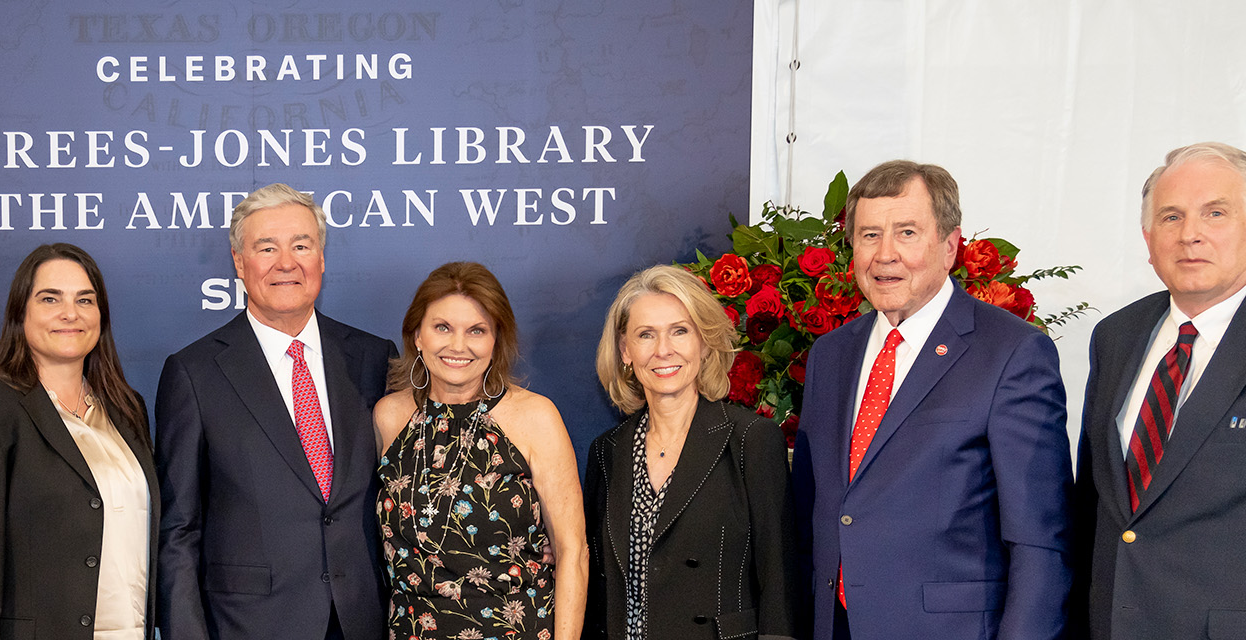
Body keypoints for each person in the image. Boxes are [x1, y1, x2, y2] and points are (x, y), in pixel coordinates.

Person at [1070, 142, 1246, 639]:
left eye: (1215, 213)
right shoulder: (1116, 336)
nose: (1190, 235)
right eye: (1171, 217)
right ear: (1148, 238)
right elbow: (1095, 512)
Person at [793, 160, 1072, 639]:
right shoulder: (831, 354)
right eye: (868, 235)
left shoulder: (1011, 352)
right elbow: (812, 508)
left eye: (906, 232)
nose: (884, 255)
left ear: (949, 246)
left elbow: (1041, 542)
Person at [156, 183, 397, 640]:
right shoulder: (194, 372)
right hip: (249, 625)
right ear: (239, 262)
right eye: (266, 247)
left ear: (321, 260)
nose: (286, 262)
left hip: (363, 619)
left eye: (301, 246)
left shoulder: (373, 358)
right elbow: (178, 530)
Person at [0, 243, 157, 639]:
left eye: (85, 299)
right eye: (50, 299)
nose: (71, 313)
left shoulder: (126, 408)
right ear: (21, 312)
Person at [372, 261, 588, 640]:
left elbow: (573, 553)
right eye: (442, 328)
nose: (458, 345)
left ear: (495, 340)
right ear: (417, 336)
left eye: (476, 330)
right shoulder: (389, 417)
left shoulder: (534, 417)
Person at [584, 264, 797, 640]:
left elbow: (780, 582)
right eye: (646, 335)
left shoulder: (752, 439)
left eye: (679, 331)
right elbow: (599, 584)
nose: (663, 350)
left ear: (704, 341)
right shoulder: (607, 452)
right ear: (625, 350)